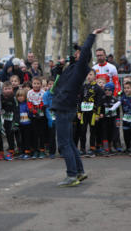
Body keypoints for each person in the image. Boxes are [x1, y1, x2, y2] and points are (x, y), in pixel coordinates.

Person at [51, 27, 105, 187]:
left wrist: (92, 35)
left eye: (79, 52)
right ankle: (79, 172)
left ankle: (71, 175)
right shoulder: (73, 67)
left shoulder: (82, 67)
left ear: (84, 56)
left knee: (63, 143)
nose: (76, 53)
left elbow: (86, 50)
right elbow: (57, 79)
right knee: (69, 142)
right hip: (64, 105)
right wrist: (59, 67)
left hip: (64, 107)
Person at [77, 69, 103, 157]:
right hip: (84, 112)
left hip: (93, 113)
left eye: (91, 74)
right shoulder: (83, 86)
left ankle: (92, 149)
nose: (89, 76)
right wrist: (79, 112)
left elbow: (99, 102)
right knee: (82, 130)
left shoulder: (98, 88)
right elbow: (79, 100)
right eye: (87, 74)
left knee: (93, 131)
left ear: (95, 76)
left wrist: (97, 114)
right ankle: (82, 149)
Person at [109, 81, 131, 156]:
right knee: (126, 134)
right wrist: (112, 109)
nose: (126, 90)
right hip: (125, 119)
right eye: (125, 88)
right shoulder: (123, 97)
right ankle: (128, 148)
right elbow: (118, 103)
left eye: (128, 88)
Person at [27, 77, 46, 159]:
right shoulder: (29, 92)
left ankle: (42, 150)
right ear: (32, 84)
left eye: (38, 83)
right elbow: (29, 103)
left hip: (41, 115)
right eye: (35, 83)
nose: (36, 85)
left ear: (41, 85)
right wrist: (34, 111)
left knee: (42, 133)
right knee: (34, 133)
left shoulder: (43, 92)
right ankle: (35, 150)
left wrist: (39, 109)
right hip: (33, 115)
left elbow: (43, 102)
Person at [1, 81, 17, 161]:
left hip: (13, 118)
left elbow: (16, 109)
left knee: (16, 134)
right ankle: (11, 150)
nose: (7, 90)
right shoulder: (1, 97)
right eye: (6, 89)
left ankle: (18, 149)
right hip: (5, 119)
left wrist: (16, 121)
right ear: (3, 90)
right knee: (8, 135)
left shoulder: (14, 97)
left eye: (9, 88)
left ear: (12, 89)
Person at [101, 82, 118, 156]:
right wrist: (100, 114)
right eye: (106, 90)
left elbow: (118, 111)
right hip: (104, 119)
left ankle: (111, 147)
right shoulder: (103, 99)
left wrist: (118, 120)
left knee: (112, 133)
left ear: (112, 91)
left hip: (112, 119)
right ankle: (105, 148)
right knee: (104, 133)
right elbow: (100, 108)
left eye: (109, 90)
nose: (107, 91)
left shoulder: (115, 100)